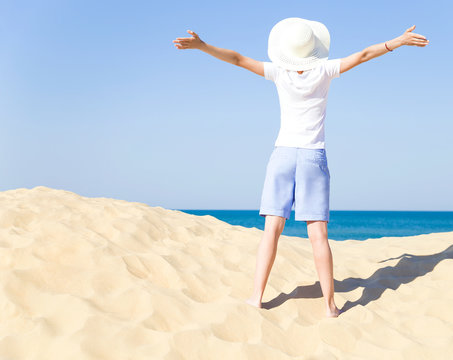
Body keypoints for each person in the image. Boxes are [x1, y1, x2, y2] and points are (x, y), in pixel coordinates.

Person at [173, 18, 429, 318]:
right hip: (313, 157)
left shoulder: (279, 72)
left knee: (271, 231)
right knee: (318, 234)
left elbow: (238, 59)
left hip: (282, 156)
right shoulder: (324, 70)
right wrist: (395, 42)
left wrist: (203, 46)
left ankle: (256, 298)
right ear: (314, 48)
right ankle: (330, 305)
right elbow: (363, 55)